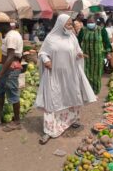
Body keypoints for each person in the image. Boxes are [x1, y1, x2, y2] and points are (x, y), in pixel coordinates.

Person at [35, 14, 97, 144]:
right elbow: (42, 53)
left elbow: (76, 50)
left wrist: (79, 54)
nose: (71, 26)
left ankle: (69, 121)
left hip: (69, 75)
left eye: (71, 24)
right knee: (53, 100)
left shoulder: (72, 37)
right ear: (60, 24)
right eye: (68, 24)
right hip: (54, 75)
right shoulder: (50, 38)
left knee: (69, 96)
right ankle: (49, 130)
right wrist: (46, 60)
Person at [0, 15, 23, 132]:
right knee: (1, 92)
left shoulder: (12, 36)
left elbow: (10, 57)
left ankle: (17, 121)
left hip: (11, 69)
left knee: (12, 93)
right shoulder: (8, 36)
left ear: (4, 24)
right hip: (5, 68)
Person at [78, 15, 113, 94]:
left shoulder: (101, 30)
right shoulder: (83, 30)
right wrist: (78, 51)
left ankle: (95, 91)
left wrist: (108, 52)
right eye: (89, 22)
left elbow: (106, 42)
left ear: (95, 22)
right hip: (85, 56)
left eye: (92, 22)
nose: (90, 24)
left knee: (96, 74)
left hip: (98, 56)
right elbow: (78, 42)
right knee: (85, 73)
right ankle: (86, 92)